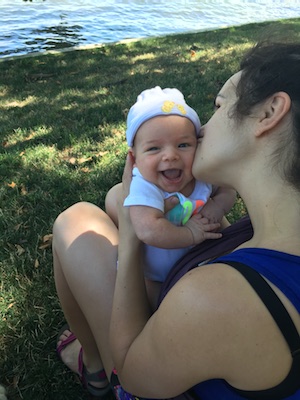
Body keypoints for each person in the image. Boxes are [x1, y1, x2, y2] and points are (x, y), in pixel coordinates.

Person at [54, 39, 300, 400]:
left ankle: (94, 367)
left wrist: (130, 231)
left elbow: (134, 376)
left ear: (269, 113)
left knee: (75, 220)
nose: (201, 130)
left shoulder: (215, 298)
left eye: (218, 106)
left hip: (147, 381)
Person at [105, 86, 236, 309]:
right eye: (154, 148)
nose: (171, 155)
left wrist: (218, 207)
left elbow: (228, 190)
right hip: (155, 274)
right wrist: (190, 233)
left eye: (183, 145)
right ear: (134, 158)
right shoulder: (144, 187)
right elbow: (148, 229)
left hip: (201, 261)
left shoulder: (199, 174)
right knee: (158, 305)